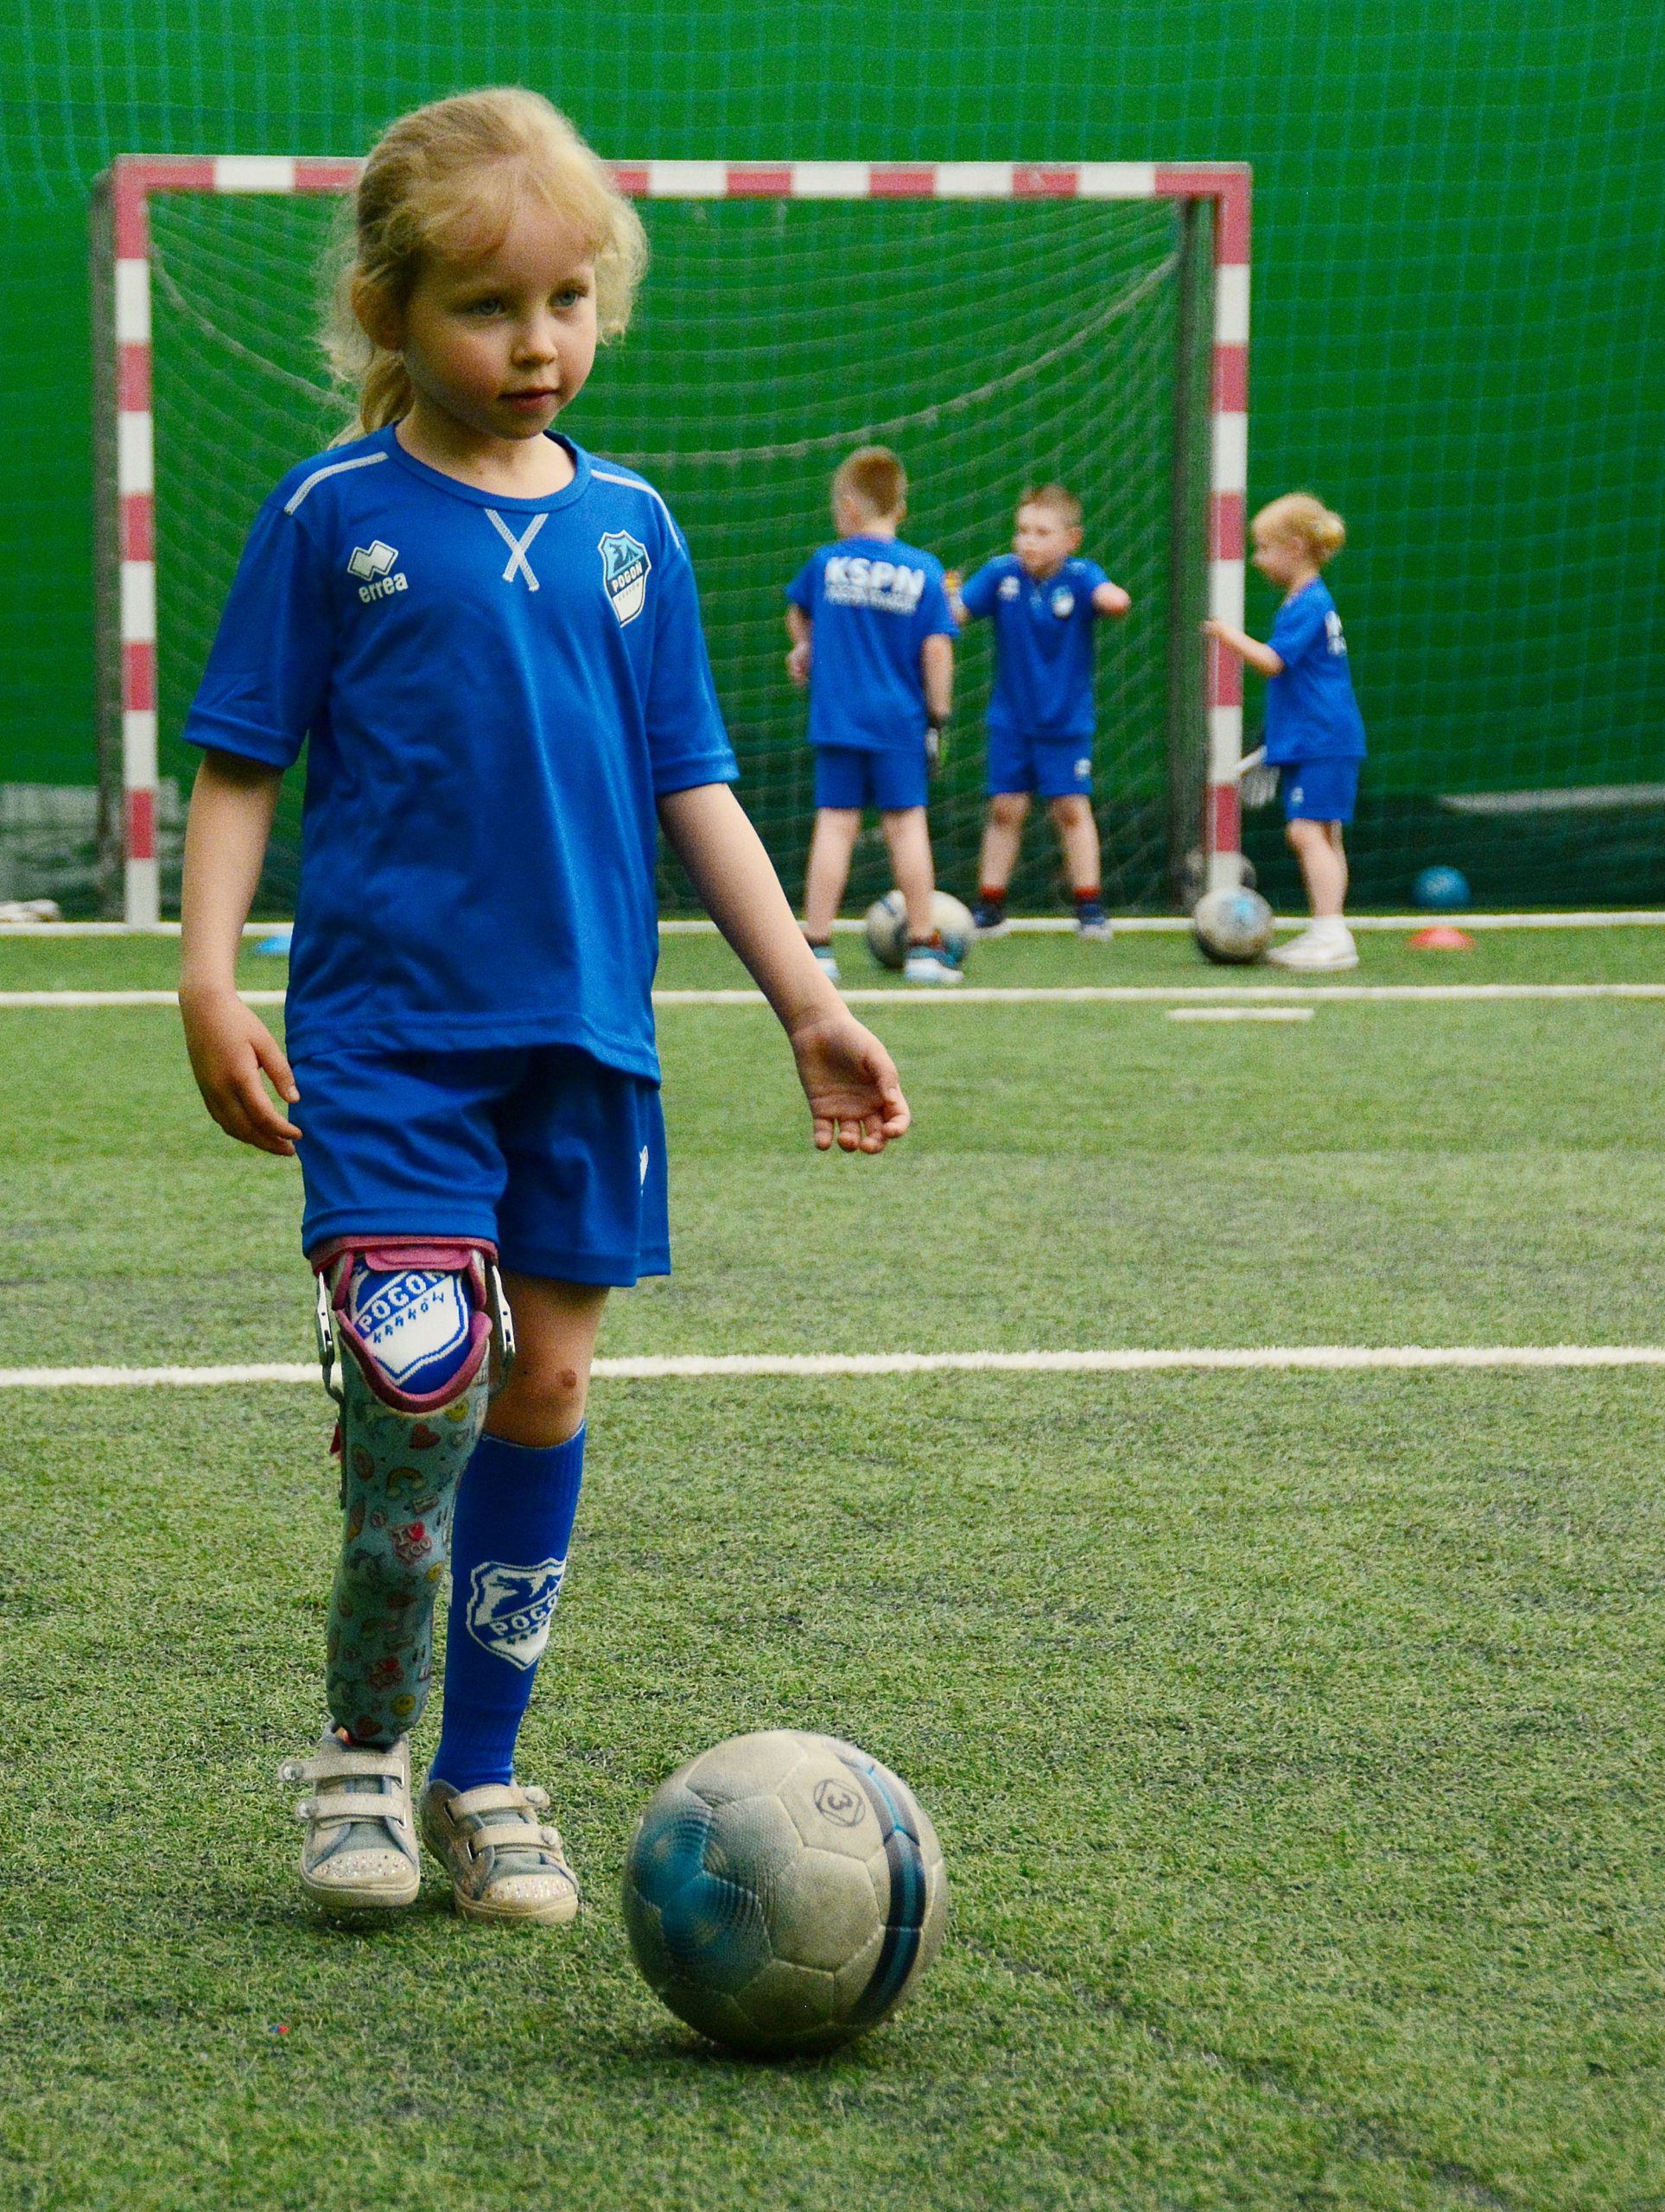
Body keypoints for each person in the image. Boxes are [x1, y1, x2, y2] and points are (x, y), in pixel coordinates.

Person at [175, 89, 910, 1929]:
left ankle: (482, 1774)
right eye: (487, 307)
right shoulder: (330, 514)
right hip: (386, 1043)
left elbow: (693, 785)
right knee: (420, 1385)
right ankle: (359, 1751)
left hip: (585, 1041)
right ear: (388, 311)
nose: (535, 344)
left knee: (549, 1382)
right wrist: (205, 971)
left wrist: (806, 1003)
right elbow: (244, 759)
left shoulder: (631, 526)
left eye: (566, 301)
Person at [784, 447, 961, 985]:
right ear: (899, 508)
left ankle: (817, 947)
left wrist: (804, 646)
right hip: (898, 723)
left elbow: (797, 611)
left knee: (835, 826)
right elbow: (937, 650)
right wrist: (939, 717)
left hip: (839, 719)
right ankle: (923, 948)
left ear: (847, 507)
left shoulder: (826, 563)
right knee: (906, 828)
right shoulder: (924, 570)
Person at [951, 486, 1132, 940]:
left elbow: (1113, 598)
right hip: (1011, 721)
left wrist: (1112, 598)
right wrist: (942, 599)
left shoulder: (1082, 576)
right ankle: (990, 906)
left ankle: (1089, 906)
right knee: (1005, 809)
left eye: (1041, 533)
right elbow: (956, 614)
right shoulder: (1001, 575)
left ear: (1071, 539)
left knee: (1070, 808)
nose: (1028, 541)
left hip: (1065, 722)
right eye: (1023, 531)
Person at [1204, 493, 1365, 972]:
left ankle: (1332, 933)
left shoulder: (1308, 602)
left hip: (1323, 739)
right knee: (1324, 834)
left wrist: (1226, 635)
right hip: (1318, 738)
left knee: (1306, 831)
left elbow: (1272, 662)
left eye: (1264, 548)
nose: (1257, 559)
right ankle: (1326, 929)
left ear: (1294, 548)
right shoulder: (1306, 600)